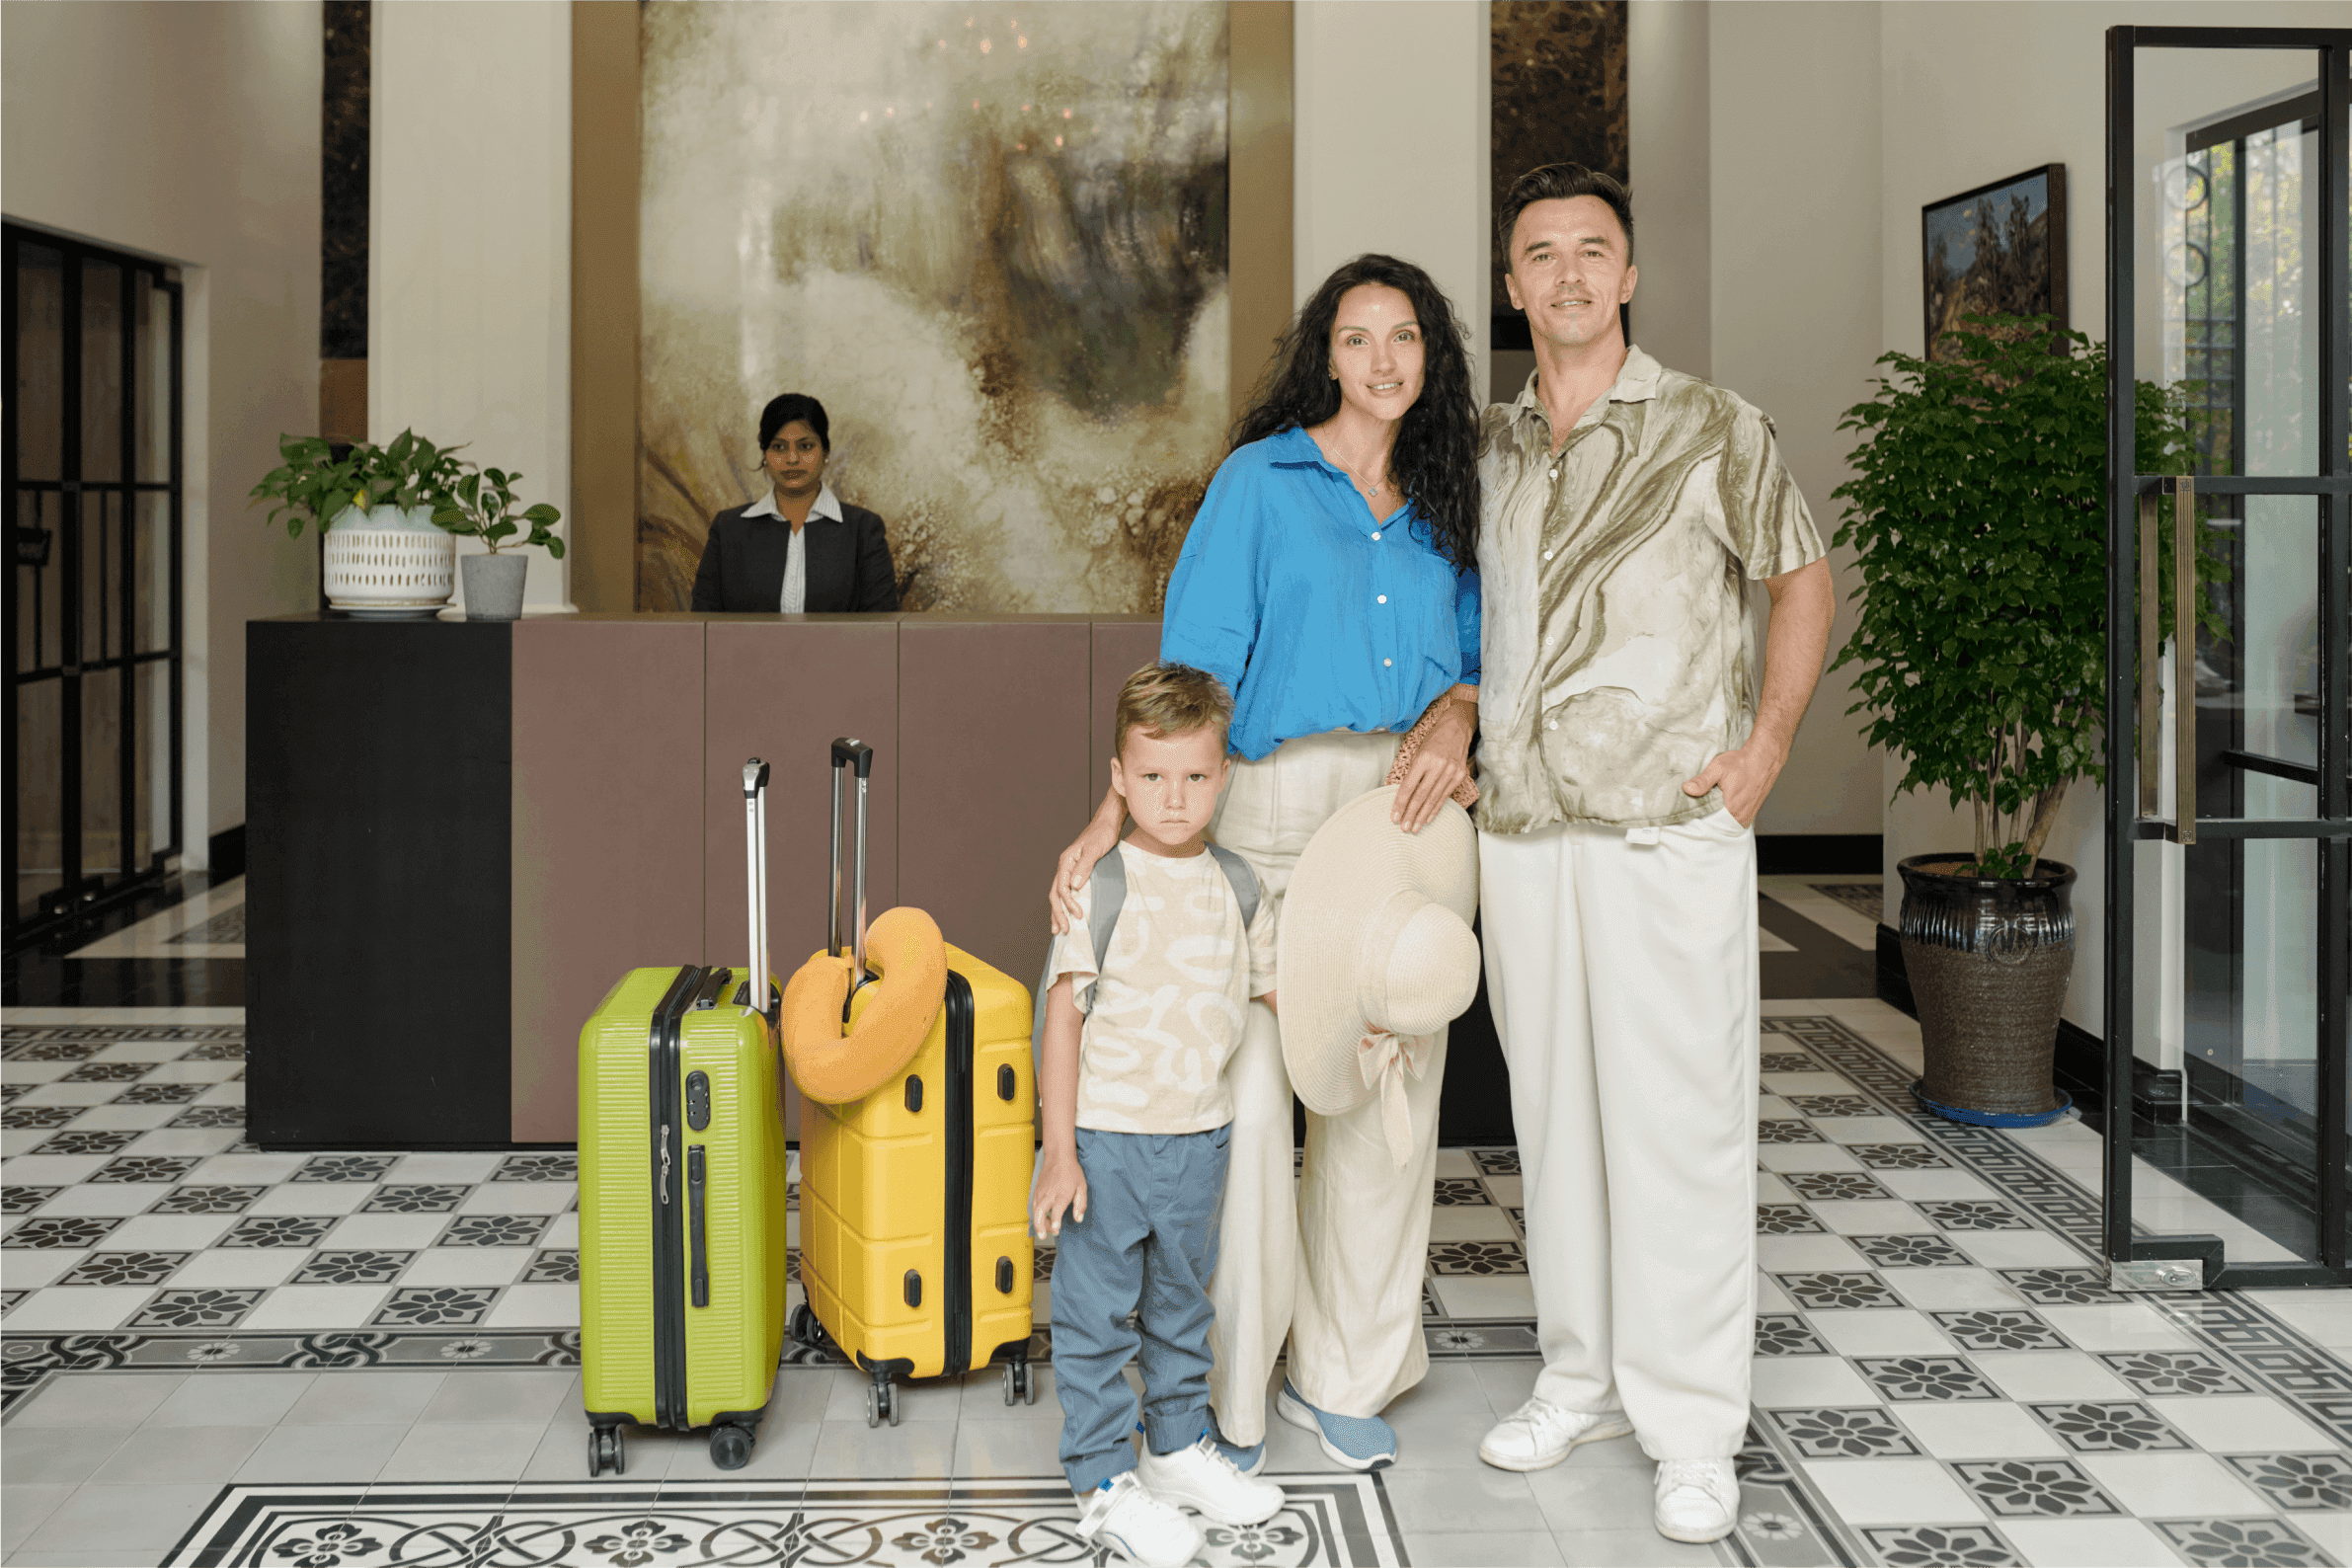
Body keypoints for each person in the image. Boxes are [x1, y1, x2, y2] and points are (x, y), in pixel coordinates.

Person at [1049, 254, 1484, 1472]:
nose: (1384, 361)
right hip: (1265, 808)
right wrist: (1113, 817)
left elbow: (1486, 652)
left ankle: (1346, 1371)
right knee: (1239, 1103)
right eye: (1359, 339)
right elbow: (1192, 677)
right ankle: (1226, 1391)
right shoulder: (1259, 481)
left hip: (1402, 814)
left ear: (1431, 357)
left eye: (1407, 338)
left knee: (1385, 1094)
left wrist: (1463, 706)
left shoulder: (1454, 494)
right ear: (1324, 355)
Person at [1469, 163, 1834, 1546]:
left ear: (1626, 276)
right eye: (1539, 254)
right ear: (1511, 287)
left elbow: (1800, 574)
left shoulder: (1709, 426)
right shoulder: (1493, 447)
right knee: (1555, 1125)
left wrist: (1769, 745)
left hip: (1668, 825)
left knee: (1675, 1130)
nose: (1565, 274)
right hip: (1523, 831)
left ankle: (1690, 1425)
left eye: (1591, 252)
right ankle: (1581, 1376)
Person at [1033, 662, 1287, 1568]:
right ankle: (1103, 1480)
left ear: (1224, 777)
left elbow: (1274, 997)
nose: (1173, 800)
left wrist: (1360, 1030)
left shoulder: (1242, 885)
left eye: (1193, 778)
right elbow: (1061, 1018)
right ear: (1117, 778)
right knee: (1098, 1315)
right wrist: (1059, 1152)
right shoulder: (1100, 883)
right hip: (1106, 1141)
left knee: (1183, 1306)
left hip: (1199, 1140)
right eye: (1150, 778)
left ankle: (1176, 1447)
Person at [689, 393, 900, 612]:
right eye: (779, 447)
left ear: (825, 452)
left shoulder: (863, 531)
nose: (792, 459)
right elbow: (705, 625)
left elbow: (881, 629)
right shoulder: (728, 529)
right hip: (746, 649)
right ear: (766, 458)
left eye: (805, 446)